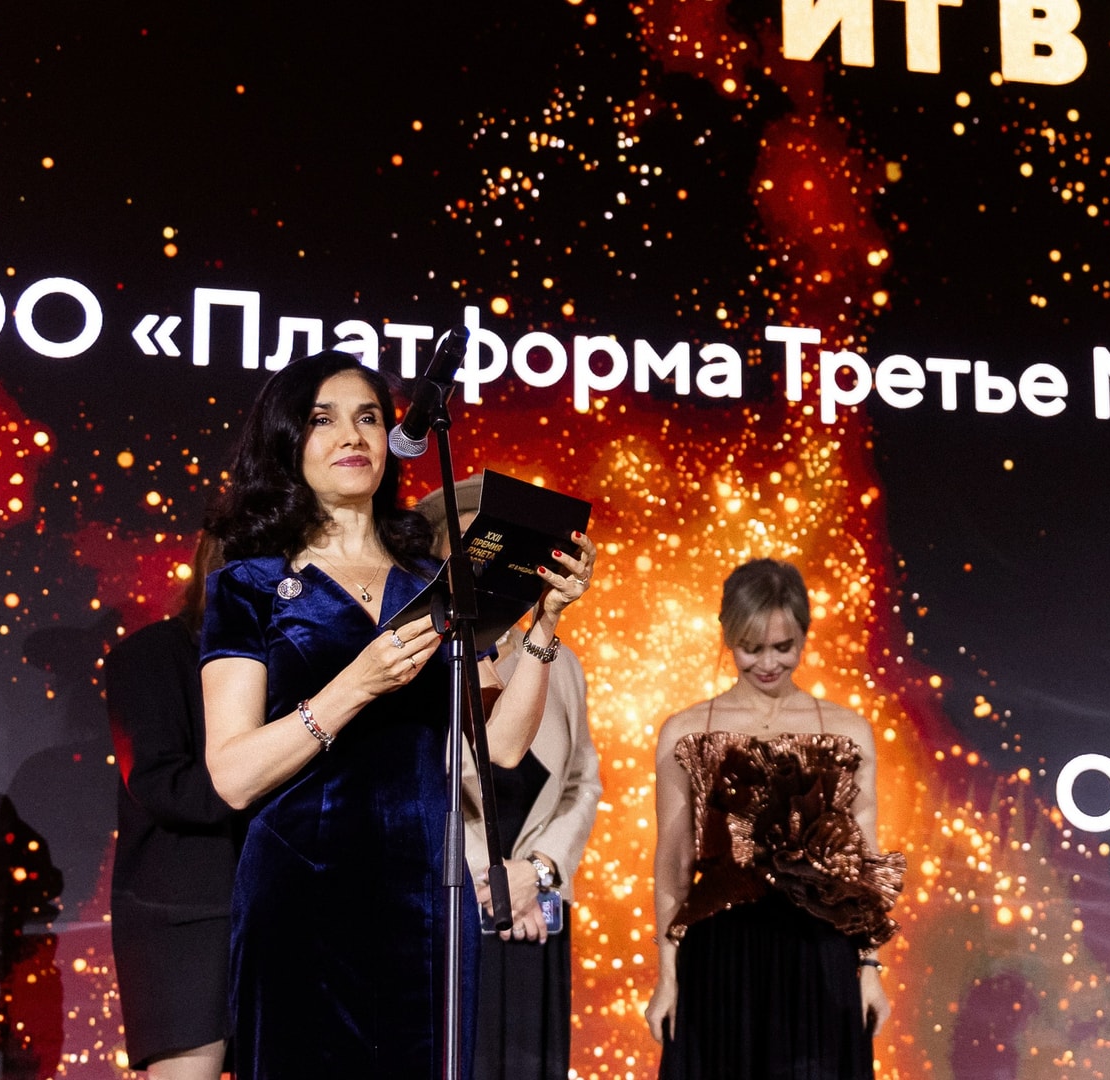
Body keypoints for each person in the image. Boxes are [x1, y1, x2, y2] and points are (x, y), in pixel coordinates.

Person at [198, 350, 595, 1080]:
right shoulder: (248, 585)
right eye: (323, 420)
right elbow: (231, 774)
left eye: (369, 418)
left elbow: (503, 748)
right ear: (287, 440)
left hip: (426, 894)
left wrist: (543, 624)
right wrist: (353, 686)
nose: (352, 436)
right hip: (300, 889)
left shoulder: (435, 584)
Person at [645, 559, 905, 1079]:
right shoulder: (686, 730)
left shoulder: (848, 730)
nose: (767, 663)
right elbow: (673, 862)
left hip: (820, 956)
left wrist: (870, 968)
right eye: (751, 648)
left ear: (804, 636)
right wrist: (667, 975)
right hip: (720, 957)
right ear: (727, 636)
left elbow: (863, 863)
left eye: (783, 647)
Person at [418, 478, 603, 1080]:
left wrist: (539, 871)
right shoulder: (415, 656)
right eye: (467, 548)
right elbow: (422, 783)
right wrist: (488, 876)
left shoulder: (559, 661)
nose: (484, 566)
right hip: (452, 903)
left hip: (537, 915)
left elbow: (581, 782)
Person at [106, 530, 236, 1080]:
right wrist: (266, 775)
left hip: (283, 908)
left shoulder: (300, 663)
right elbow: (163, 784)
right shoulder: (151, 655)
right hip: (185, 915)